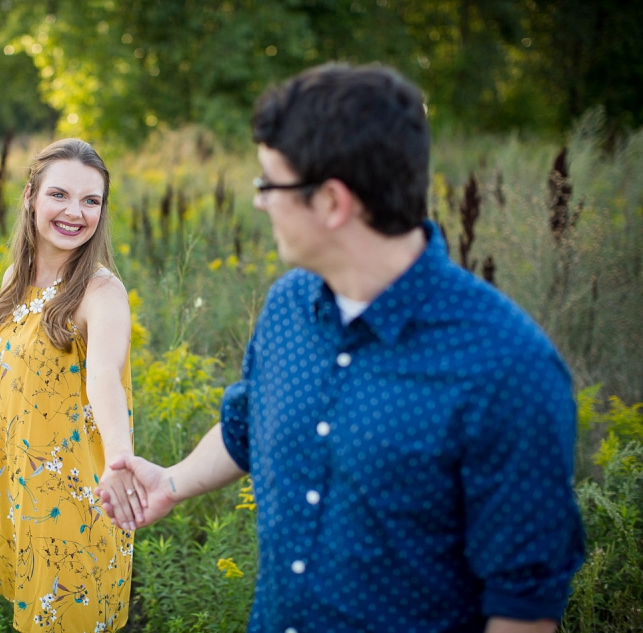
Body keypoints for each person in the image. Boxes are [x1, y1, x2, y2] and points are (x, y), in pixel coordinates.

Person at [97, 64, 585, 633]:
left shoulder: (506, 369)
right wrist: (172, 483)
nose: (259, 202)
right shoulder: (287, 307)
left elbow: (523, 609)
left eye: (269, 184)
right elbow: (248, 425)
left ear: (332, 202)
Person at [0, 138, 144, 633]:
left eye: (91, 201)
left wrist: (122, 463)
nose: (75, 213)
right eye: (59, 195)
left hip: (70, 506)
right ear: (30, 197)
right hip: (19, 496)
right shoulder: (14, 281)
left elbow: (106, 380)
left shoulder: (101, 291)